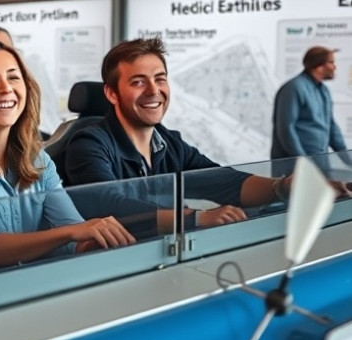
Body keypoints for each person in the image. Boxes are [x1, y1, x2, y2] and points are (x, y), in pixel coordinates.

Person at [64, 38, 346, 233]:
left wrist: (285, 187)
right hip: (113, 265)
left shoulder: (168, 142)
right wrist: (195, 219)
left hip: (165, 254)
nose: (153, 90)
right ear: (111, 93)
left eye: (160, 78)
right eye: (138, 82)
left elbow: (221, 181)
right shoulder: (89, 143)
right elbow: (108, 205)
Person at [0, 41, 134, 270]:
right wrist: (71, 233)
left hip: (33, 288)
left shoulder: (37, 159)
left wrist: (98, 241)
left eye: (13, 77)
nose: (5, 88)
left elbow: (74, 236)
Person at [271, 46, 348, 163]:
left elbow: (331, 127)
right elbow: (286, 129)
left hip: (319, 162)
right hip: (293, 167)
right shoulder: (293, 88)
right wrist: (304, 162)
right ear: (319, 66)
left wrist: (348, 161)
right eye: (331, 62)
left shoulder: (324, 90)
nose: (334, 67)